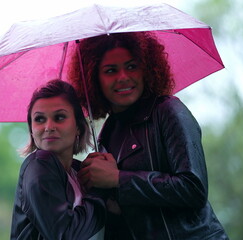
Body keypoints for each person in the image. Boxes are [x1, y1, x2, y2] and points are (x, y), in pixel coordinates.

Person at [69, 32, 229, 239]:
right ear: (94, 79)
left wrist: (118, 179)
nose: (123, 77)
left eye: (131, 66)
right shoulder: (106, 134)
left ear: (146, 68)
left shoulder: (169, 111)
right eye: (110, 70)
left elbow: (193, 189)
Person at [10, 79, 107, 240]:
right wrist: (101, 192)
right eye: (39, 119)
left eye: (59, 117)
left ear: (78, 127)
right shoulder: (39, 164)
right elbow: (65, 235)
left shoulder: (79, 172)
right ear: (32, 131)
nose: (49, 126)